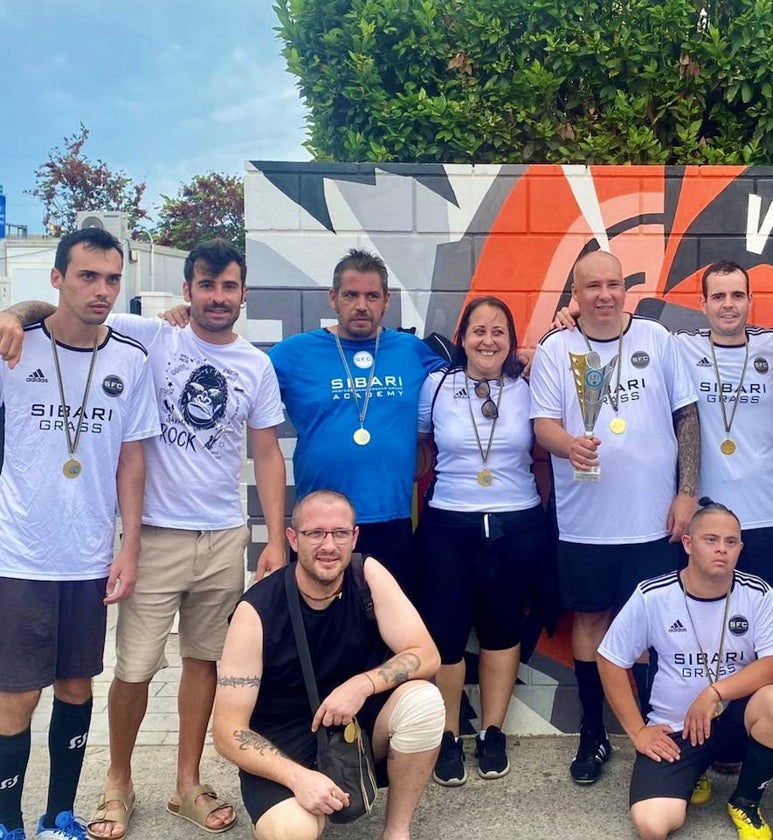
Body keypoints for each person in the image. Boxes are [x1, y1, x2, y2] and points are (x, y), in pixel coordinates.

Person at [0, 238, 288, 838]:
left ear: (243, 294)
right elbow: (64, 309)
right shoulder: (150, 337)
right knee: (133, 669)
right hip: (154, 533)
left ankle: (186, 784)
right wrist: (9, 315)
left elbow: (266, 453)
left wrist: (274, 535)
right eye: (205, 285)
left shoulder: (255, 365)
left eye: (228, 286)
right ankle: (117, 783)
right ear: (186, 291)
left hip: (223, 534)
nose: (217, 296)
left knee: (203, 662)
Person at [0, 228, 158, 840]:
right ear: (57, 278)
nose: (102, 290)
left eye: (112, 278)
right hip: (20, 553)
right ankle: (8, 819)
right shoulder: (14, 348)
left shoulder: (129, 359)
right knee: (16, 695)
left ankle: (58, 814)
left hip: (89, 556)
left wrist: (130, 546)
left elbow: (131, 461)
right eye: (87, 275)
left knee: (75, 685)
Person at [530, 250, 700, 784]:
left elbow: (687, 417)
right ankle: (593, 734)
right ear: (574, 296)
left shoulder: (658, 339)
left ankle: (657, 730)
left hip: (653, 520)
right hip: (585, 522)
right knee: (591, 622)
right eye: (591, 287)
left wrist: (687, 491)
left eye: (612, 284)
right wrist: (567, 446)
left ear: (624, 289)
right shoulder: (557, 348)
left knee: (653, 626)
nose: (604, 295)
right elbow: (543, 425)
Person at [212, 490, 444, 840]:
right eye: (315, 533)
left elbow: (427, 655)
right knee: (294, 831)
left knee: (424, 701)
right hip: (282, 743)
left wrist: (362, 685)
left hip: (353, 727)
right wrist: (298, 778)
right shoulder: (255, 611)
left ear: (354, 537)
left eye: (339, 533)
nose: (329, 545)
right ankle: (304, 801)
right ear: (293, 539)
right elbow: (227, 732)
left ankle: (396, 832)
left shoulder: (366, 575)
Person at [598, 501, 773, 840]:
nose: (722, 549)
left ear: (740, 548)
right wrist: (638, 731)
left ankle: (745, 800)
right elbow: (610, 659)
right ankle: (695, 772)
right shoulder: (652, 595)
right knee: (652, 825)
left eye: (731, 542)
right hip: (677, 729)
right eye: (711, 539)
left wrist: (714, 692)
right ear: (688, 544)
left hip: (736, 722)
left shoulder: (756, 592)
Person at [415, 296, 547, 786]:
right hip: (449, 525)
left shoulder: (529, 385)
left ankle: (492, 731)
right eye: (478, 331)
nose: (488, 340)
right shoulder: (437, 386)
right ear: (462, 338)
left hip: (517, 524)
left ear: (512, 341)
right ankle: (448, 735)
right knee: (447, 636)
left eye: (498, 331)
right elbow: (421, 444)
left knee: (501, 630)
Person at [268, 249, 447, 592]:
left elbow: (480, 369)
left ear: (386, 301)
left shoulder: (413, 351)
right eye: (351, 295)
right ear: (333, 298)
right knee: (321, 630)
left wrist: (563, 323)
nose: (361, 305)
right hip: (322, 527)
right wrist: (189, 321)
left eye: (371, 296)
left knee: (388, 631)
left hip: (391, 520)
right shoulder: (292, 354)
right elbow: (234, 373)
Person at [672, 260, 773, 598]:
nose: (728, 304)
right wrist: (572, 317)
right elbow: (622, 337)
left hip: (765, 511)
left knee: (766, 613)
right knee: (702, 608)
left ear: (750, 300)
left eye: (737, 295)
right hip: (705, 514)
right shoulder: (681, 346)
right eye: (719, 296)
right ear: (703, 303)